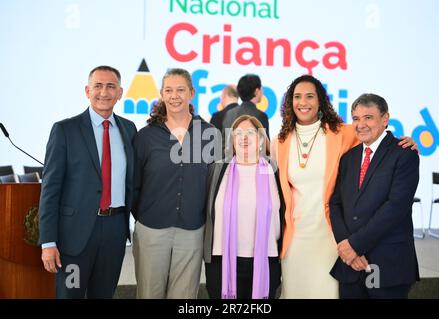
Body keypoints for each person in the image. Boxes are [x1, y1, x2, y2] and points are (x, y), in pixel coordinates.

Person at [271, 74, 417, 298]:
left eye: (310, 96)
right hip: (297, 238)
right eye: (297, 96)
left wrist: (405, 141)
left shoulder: (344, 132)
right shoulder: (279, 141)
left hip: (333, 238)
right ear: (290, 102)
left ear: (320, 101)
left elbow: (376, 139)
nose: (303, 102)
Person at [38, 65, 137, 298]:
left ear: (120, 93)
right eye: (98, 86)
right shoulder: (65, 130)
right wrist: (48, 242)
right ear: (87, 90)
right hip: (74, 237)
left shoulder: (129, 129)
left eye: (111, 86)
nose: (104, 92)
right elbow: (50, 190)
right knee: (70, 294)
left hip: (114, 231)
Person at [132, 68, 218, 299]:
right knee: (149, 294)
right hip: (151, 228)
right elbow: (134, 183)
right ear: (161, 94)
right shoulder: (146, 136)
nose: (174, 96)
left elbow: (214, 183)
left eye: (180, 90)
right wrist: (143, 214)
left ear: (191, 93)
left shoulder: (209, 134)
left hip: (192, 230)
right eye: (168, 90)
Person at [329, 93, 420, 299]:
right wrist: (346, 247)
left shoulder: (404, 154)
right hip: (351, 267)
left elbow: (396, 208)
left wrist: (355, 245)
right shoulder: (348, 158)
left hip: (387, 265)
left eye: (368, 117)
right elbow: (335, 204)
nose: (361, 124)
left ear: (385, 119)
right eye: (356, 118)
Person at [204, 115, 284, 299]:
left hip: (266, 259)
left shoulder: (273, 170)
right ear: (232, 139)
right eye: (238, 133)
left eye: (250, 133)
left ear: (261, 138)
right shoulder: (217, 170)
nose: (244, 138)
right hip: (221, 260)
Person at [223, 74, 270, 139]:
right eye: (261, 89)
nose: (262, 92)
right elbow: (264, 146)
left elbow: (224, 144)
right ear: (256, 91)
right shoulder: (261, 116)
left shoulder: (229, 114)